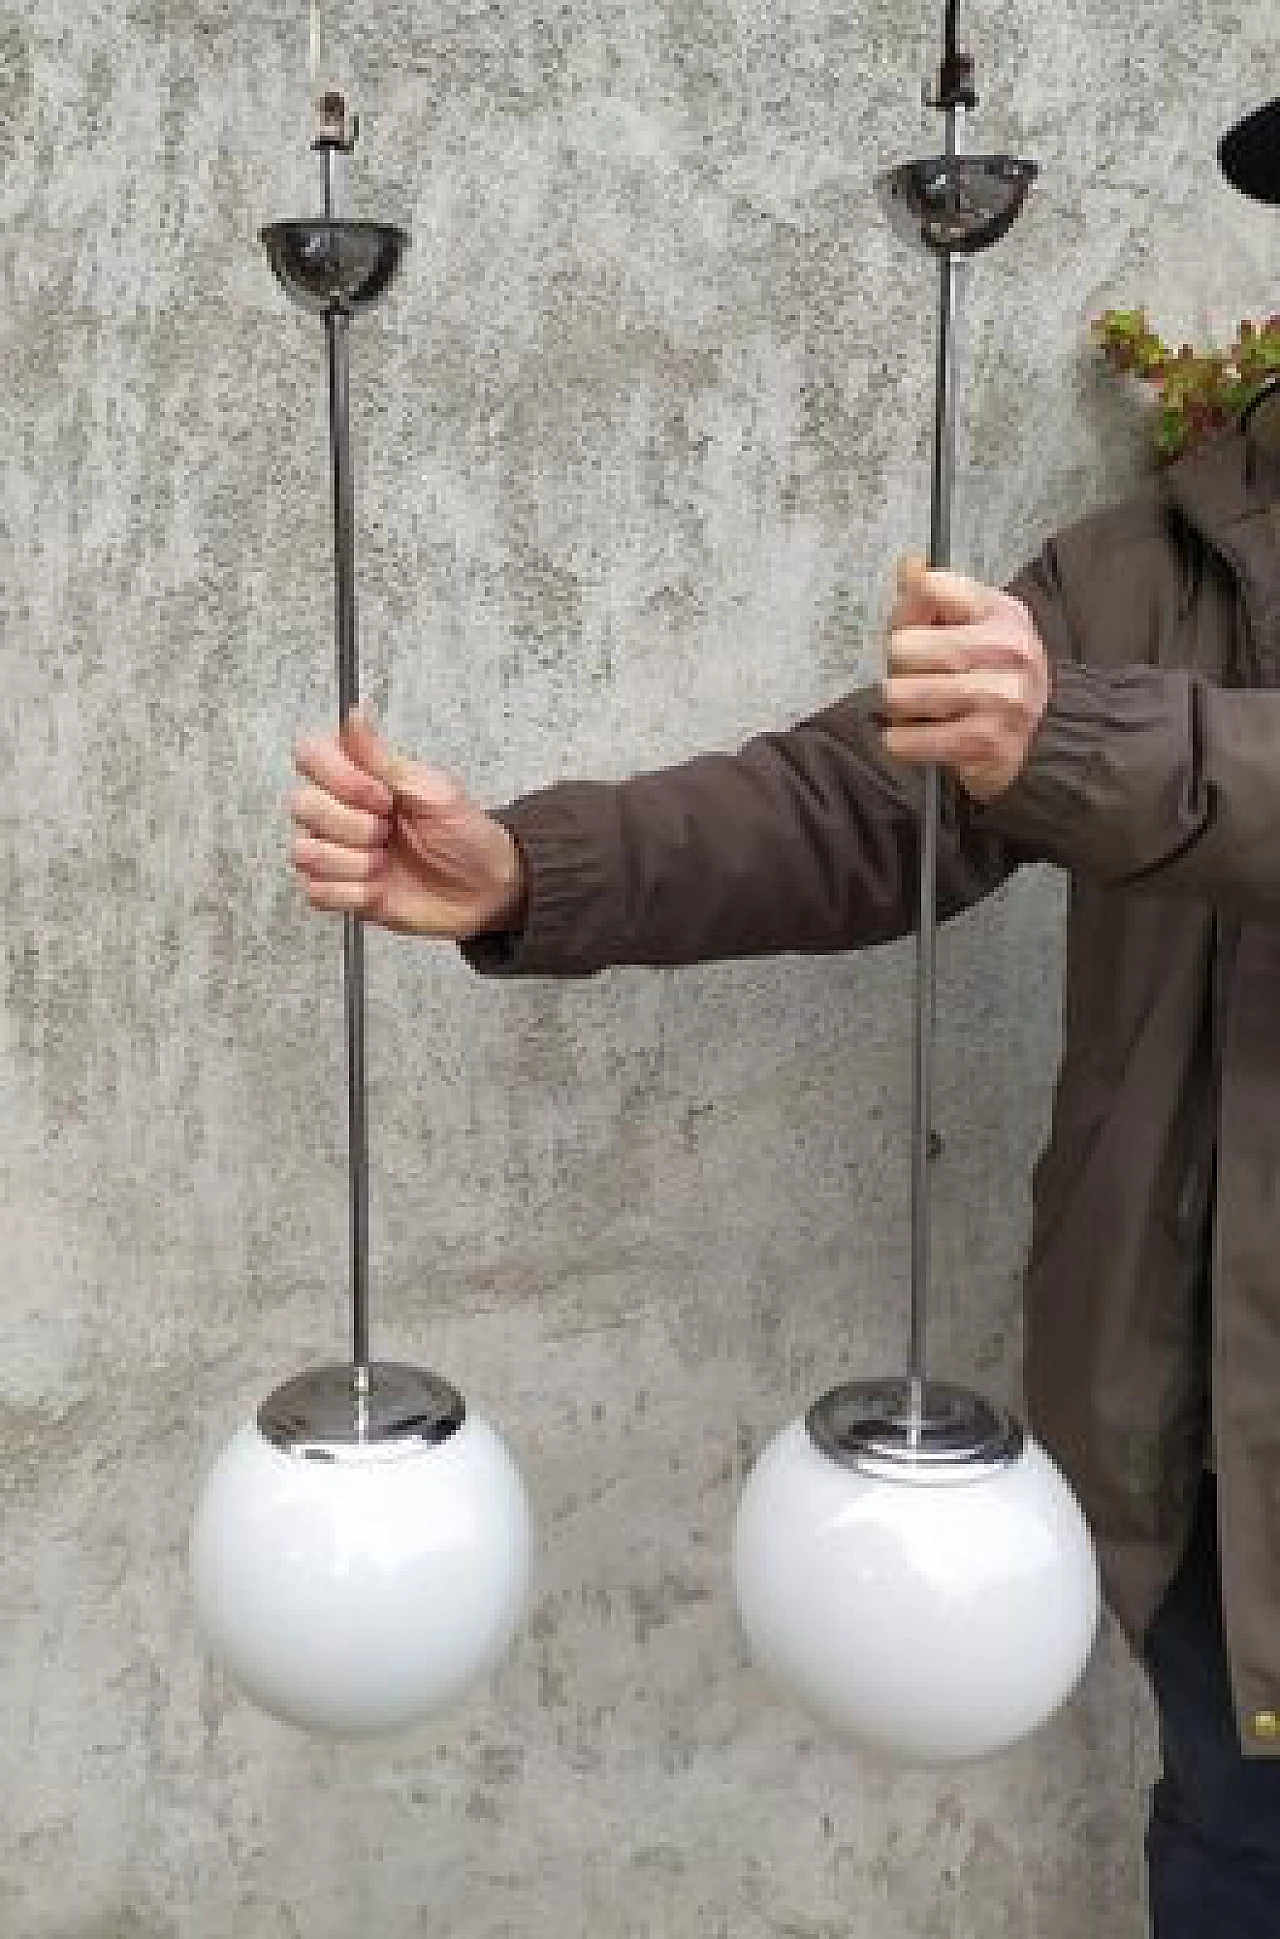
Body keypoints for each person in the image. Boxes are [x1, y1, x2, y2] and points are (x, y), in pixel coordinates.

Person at [288, 97, 1280, 1939]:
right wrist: (522, 869)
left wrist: (1076, 739)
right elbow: (858, 807)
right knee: (1232, 1863)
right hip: (1221, 1493)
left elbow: (1111, 760)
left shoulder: (1117, 660)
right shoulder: (1146, 569)